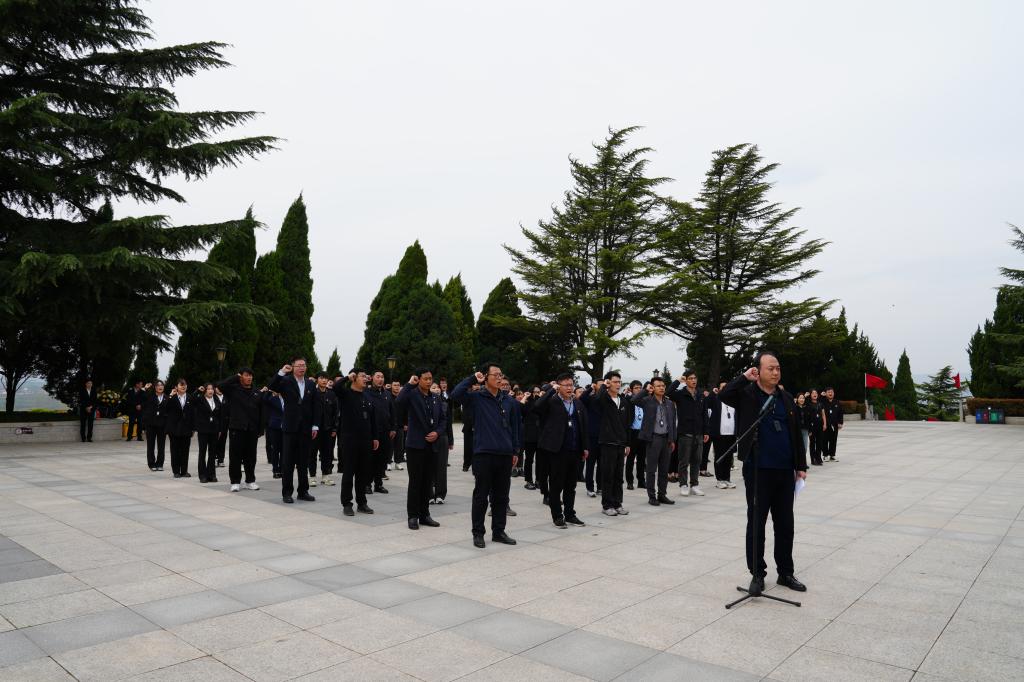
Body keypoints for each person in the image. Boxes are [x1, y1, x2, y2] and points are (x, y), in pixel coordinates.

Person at [720, 351, 808, 596]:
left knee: (785, 524)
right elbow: (724, 395)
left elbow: (796, 434)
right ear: (758, 370)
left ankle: (786, 572)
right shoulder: (747, 394)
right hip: (758, 469)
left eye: (778, 368)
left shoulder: (786, 397)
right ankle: (757, 573)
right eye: (770, 368)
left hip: (784, 471)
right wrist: (743, 377)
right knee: (757, 523)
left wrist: (801, 466)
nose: (776, 372)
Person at [451, 364, 520, 548]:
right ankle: (478, 532)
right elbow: (455, 394)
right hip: (484, 454)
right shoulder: (476, 398)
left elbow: (515, 428)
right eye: (495, 375)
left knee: (501, 497)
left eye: (501, 375)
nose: (499, 378)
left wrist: (515, 450)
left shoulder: (509, 401)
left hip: (504, 454)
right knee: (481, 496)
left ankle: (499, 531)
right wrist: (473, 378)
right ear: (486, 377)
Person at [534, 373, 589, 528]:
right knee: (556, 485)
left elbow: (583, 425)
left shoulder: (577, 403)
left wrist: (585, 447)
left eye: (571, 385)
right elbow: (537, 407)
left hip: (574, 449)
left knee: (571, 486)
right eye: (566, 385)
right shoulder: (552, 401)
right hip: (556, 450)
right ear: (559, 386)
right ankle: (557, 516)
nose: (570, 388)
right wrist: (551, 390)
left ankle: (570, 514)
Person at [397, 369, 446, 529]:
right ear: (418, 379)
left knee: (427, 482)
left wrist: (437, 433)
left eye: (430, 378)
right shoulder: (412, 395)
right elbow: (399, 402)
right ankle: (413, 516)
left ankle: (425, 514)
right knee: (415, 482)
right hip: (415, 445)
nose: (429, 381)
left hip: (432, 445)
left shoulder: (436, 398)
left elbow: (443, 420)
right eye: (425, 379)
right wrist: (409, 384)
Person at [269, 358, 321, 504]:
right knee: (288, 462)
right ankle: (287, 492)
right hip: (290, 428)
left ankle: (303, 491)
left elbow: (316, 405)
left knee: (303, 462)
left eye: (304, 365)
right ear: (293, 367)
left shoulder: (311, 384)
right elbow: (272, 386)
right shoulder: (286, 381)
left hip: (306, 428)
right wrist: (281, 372)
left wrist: (315, 425)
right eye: (299, 365)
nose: (302, 368)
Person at [582, 372, 633, 516]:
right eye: (614, 382)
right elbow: (596, 400)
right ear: (608, 383)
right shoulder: (603, 399)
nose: (618, 384)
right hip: (607, 442)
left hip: (621, 442)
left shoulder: (623, 401)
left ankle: (617, 503)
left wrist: (627, 443)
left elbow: (627, 424)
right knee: (608, 475)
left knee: (618, 476)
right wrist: (603, 386)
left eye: (619, 382)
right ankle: (607, 505)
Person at [333, 369, 377, 516]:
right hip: (349, 441)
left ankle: (362, 503)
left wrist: (375, 437)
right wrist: (347, 377)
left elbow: (372, 418)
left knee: (362, 474)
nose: (365, 379)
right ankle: (347, 504)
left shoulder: (367, 396)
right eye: (362, 376)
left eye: (366, 376)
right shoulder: (346, 394)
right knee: (348, 473)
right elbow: (336, 386)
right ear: (354, 378)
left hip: (366, 440)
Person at [630, 377, 677, 506]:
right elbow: (633, 400)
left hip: (666, 439)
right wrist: (645, 390)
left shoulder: (669, 403)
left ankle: (662, 494)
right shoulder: (647, 401)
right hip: (653, 438)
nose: (661, 388)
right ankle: (652, 496)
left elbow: (672, 422)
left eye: (663, 385)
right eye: (658, 386)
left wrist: (672, 439)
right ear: (653, 387)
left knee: (664, 469)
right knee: (651, 469)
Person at [219, 368, 264, 491]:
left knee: (251, 457)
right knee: (235, 456)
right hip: (237, 428)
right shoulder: (233, 390)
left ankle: (250, 480)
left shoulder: (257, 392)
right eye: (246, 375)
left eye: (251, 375)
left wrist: (261, 429)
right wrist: (235, 377)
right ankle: (235, 481)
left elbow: (261, 411)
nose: (249, 378)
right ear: (241, 377)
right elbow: (220, 386)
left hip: (252, 429)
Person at [669, 370, 709, 497]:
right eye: (690, 378)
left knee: (697, 461)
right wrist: (677, 381)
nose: (693, 380)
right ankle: (683, 484)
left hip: (699, 434)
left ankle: (694, 485)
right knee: (684, 461)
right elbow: (668, 392)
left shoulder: (700, 395)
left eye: (695, 378)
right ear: (686, 380)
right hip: (685, 434)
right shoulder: (681, 394)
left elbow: (704, 414)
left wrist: (706, 431)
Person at [366, 371, 395, 492]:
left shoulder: (387, 394)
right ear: (372, 378)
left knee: (382, 459)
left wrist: (393, 428)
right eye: (378, 377)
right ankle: (367, 484)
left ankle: (378, 484)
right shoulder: (366, 392)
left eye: (382, 377)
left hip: (385, 431)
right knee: (370, 459)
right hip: (371, 432)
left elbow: (392, 412)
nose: (380, 379)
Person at [309, 372, 339, 487]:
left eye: (326, 378)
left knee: (327, 454)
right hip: (314, 430)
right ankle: (312, 477)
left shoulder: (331, 394)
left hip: (328, 429)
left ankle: (326, 476)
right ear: (317, 380)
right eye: (321, 378)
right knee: (312, 454)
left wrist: (334, 428)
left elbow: (336, 413)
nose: (324, 380)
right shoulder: (312, 393)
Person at [707, 381, 737, 489]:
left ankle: (727, 479)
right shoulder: (716, 399)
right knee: (720, 456)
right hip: (719, 434)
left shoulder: (733, 401)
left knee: (729, 458)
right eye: (722, 387)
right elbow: (707, 403)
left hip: (731, 434)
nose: (725, 389)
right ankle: (719, 479)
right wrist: (712, 393)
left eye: (727, 387)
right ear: (719, 389)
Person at [164, 378, 195, 478]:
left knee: (185, 450)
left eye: (185, 384)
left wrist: (193, 428)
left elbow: (193, 413)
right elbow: (165, 409)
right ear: (176, 387)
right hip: (174, 428)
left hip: (186, 428)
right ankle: (176, 471)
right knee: (175, 450)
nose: (183, 386)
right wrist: (170, 396)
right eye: (181, 385)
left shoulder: (190, 397)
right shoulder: (172, 397)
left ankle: (184, 471)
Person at [194, 384, 222, 483]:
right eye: (208, 389)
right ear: (205, 390)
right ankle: (202, 475)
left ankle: (211, 474)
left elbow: (220, 415)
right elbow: (192, 400)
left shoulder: (216, 400)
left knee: (212, 453)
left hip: (214, 430)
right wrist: (198, 391)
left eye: (212, 389)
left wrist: (220, 429)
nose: (210, 391)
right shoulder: (200, 399)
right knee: (202, 452)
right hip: (203, 430)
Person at [430, 381, 450, 504]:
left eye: (437, 387)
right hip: (428, 438)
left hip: (442, 437)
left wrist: (451, 440)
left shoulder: (444, 403)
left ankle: (440, 494)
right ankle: (429, 494)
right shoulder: (423, 402)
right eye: (433, 387)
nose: (436, 389)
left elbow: (448, 423)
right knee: (428, 467)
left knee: (441, 467)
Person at [625, 381, 646, 491]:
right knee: (630, 459)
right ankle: (630, 481)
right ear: (631, 389)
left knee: (642, 459)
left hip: (642, 433)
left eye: (640, 388)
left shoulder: (644, 401)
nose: (638, 389)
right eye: (636, 388)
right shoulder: (630, 401)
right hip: (632, 433)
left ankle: (641, 481)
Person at [142, 381, 168, 470]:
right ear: (155, 387)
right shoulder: (150, 396)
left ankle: (160, 464)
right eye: (158, 385)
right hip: (151, 424)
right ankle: (151, 464)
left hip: (162, 425)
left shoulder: (167, 397)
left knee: (161, 446)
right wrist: (145, 389)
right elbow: (141, 398)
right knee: (150, 445)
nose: (160, 387)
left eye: (162, 385)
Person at [520, 387, 541, 491]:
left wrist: (542, 398)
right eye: (535, 392)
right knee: (529, 459)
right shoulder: (527, 403)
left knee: (540, 460)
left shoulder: (541, 403)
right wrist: (525, 396)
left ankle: (538, 480)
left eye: (538, 392)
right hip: (529, 436)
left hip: (540, 436)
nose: (536, 394)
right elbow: (520, 409)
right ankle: (528, 480)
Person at [263, 388, 284, 478]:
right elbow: (264, 399)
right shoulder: (273, 399)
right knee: (275, 449)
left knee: (284, 450)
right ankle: (275, 470)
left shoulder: (289, 398)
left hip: (286, 427)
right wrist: (269, 390)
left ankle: (282, 469)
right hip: (275, 427)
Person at [821, 387, 843, 462]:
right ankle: (825, 455)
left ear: (833, 393)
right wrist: (821, 396)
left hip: (835, 424)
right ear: (826, 393)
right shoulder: (822, 402)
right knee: (824, 440)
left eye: (831, 392)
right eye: (828, 392)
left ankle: (832, 455)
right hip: (825, 425)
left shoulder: (837, 402)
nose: (830, 393)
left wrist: (840, 422)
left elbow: (840, 413)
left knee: (833, 440)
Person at [390, 380, 407, 471]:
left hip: (400, 425)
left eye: (398, 385)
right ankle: (388, 462)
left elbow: (406, 411)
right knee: (390, 445)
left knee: (399, 445)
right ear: (391, 386)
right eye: (395, 385)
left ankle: (398, 462)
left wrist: (406, 423)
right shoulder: (388, 397)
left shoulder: (402, 398)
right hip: (390, 425)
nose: (396, 387)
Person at [807, 389, 824, 465]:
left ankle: (818, 458)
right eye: (813, 393)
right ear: (810, 395)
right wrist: (805, 396)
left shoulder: (820, 404)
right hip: (812, 426)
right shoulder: (808, 404)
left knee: (819, 442)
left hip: (820, 425)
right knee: (812, 443)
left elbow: (823, 414)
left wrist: (825, 424)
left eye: (816, 393)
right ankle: (813, 459)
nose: (815, 394)